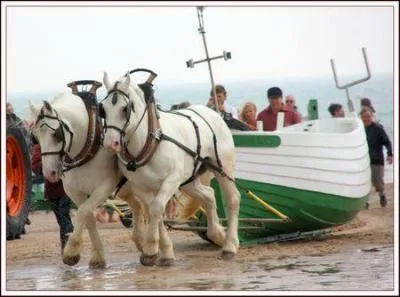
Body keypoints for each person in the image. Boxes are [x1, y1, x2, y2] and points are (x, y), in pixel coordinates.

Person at [31, 143, 74, 254]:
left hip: (66, 187)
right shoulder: (39, 147)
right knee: (61, 218)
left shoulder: (64, 144)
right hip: (52, 190)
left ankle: (69, 246)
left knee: (63, 214)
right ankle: (66, 246)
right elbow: (35, 166)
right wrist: (48, 164)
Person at [360, 108, 393, 208]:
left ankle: (382, 195)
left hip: (376, 159)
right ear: (361, 118)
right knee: (364, 181)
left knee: (378, 182)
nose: (367, 119)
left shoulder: (378, 128)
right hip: (363, 159)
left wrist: (390, 154)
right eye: (365, 117)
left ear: (372, 117)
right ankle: (366, 202)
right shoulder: (360, 129)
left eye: (369, 116)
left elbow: (387, 141)